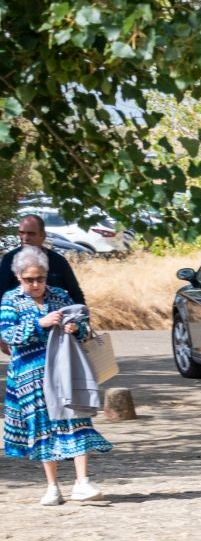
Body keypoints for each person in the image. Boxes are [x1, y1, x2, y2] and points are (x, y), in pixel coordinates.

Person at [4, 245, 111, 505]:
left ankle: (82, 482)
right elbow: (8, 335)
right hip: (30, 375)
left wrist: (75, 327)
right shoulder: (10, 300)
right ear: (19, 277)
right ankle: (52, 487)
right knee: (41, 427)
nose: (36, 284)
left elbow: (85, 329)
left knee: (76, 418)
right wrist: (38, 324)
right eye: (29, 279)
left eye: (40, 278)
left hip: (65, 371)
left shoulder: (61, 296)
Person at [0, 215, 85, 302]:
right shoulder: (9, 259)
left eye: (31, 234)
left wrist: (82, 313)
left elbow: (75, 293)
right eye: (22, 233)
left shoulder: (58, 261)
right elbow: (1, 293)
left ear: (43, 235)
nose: (25, 238)